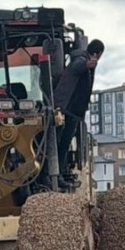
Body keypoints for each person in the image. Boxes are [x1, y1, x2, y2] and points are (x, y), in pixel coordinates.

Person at [52, 38, 104, 187]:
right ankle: (57, 175)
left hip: (70, 110)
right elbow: (77, 66)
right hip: (67, 109)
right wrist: (87, 64)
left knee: (63, 143)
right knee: (61, 143)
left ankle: (59, 173)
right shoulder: (80, 59)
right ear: (97, 53)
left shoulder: (79, 57)